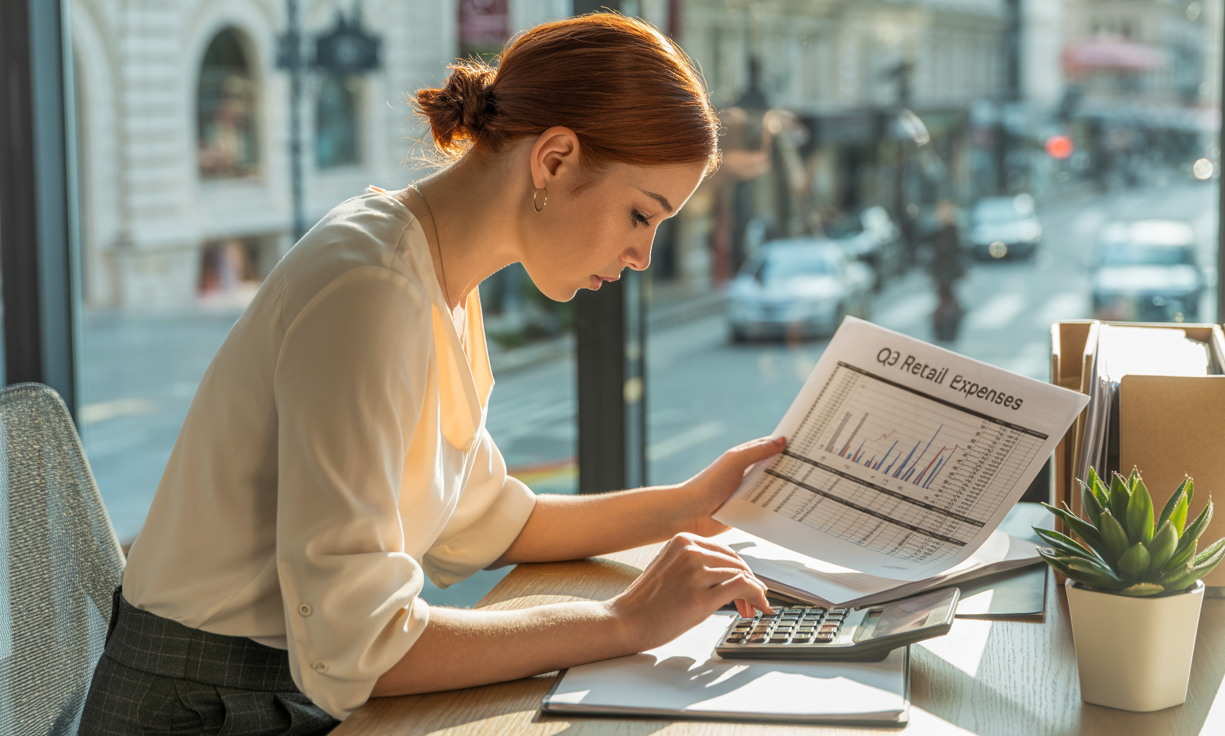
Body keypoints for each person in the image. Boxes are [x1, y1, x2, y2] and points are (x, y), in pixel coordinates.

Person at [79, 14, 782, 735]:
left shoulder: (433, 275)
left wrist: (693, 505)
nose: (643, 256)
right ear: (555, 159)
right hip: (208, 710)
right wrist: (623, 622)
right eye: (642, 214)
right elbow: (362, 648)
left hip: (269, 691)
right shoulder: (372, 291)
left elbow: (489, 522)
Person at [926, 200, 966, 342]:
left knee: (948, 298)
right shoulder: (935, 230)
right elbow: (929, 250)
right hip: (940, 270)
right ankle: (941, 328)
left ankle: (949, 326)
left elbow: (960, 251)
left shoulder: (953, 230)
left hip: (950, 271)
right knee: (943, 298)